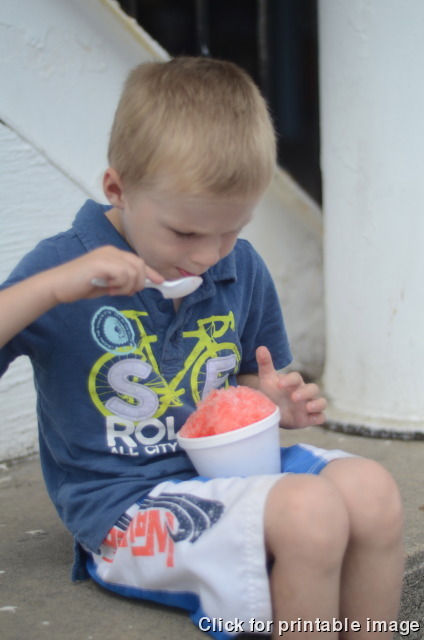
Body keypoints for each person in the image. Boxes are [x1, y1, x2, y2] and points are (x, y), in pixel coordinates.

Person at [0, 57, 403, 639]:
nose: (208, 255)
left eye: (232, 229)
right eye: (185, 233)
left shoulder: (239, 267)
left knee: (373, 493)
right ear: (117, 189)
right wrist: (52, 288)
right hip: (126, 508)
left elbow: (240, 381)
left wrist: (269, 402)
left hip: (231, 474)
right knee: (309, 514)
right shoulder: (64, 269)